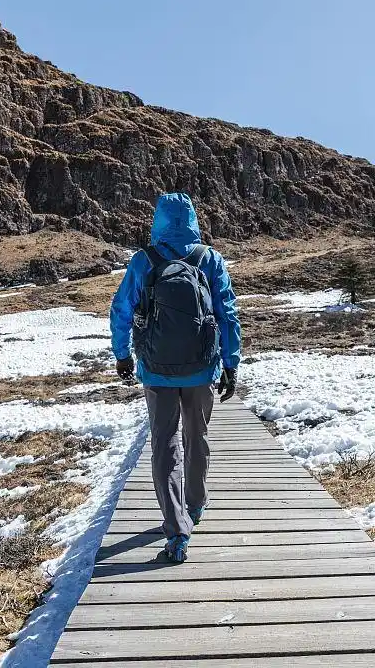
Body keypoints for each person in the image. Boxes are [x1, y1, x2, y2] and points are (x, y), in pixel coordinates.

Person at [109, 193, 242, 564]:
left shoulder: (144, 260)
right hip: (202, 368)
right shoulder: (209, 259)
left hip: (156, 369)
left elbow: (121, 309)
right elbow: (228, 314)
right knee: (197, 436)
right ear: (193, 219)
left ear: (158, 220)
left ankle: (177, 529)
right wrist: (230, 363)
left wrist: (122, 355)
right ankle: (196, 504)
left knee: (165, 445)